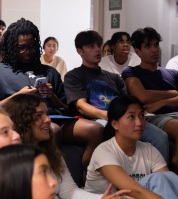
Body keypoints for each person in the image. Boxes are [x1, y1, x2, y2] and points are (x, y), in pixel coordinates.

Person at [0, 18, 104, 178]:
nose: (28, 51)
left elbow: (67, 109)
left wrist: (52, 97)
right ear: (11, 46)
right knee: (52, 129)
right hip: (19, 120)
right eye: (21, 48)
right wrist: (18, 97)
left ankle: (89, 181)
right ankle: (44, 181)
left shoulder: (49, 71)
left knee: (96, 129)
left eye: (31, 46)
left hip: (54, 117)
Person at [3, 94, 140, 199]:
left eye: (46, 114)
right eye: (39, 116)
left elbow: (69, 192)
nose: (48, 119)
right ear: (21, 121)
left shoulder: (51, 153)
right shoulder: (13, 160)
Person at [64, 30, 170, 164]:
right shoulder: (74, 76)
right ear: (80, 51)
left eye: (98, 45)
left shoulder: (114, 78)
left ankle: (160, 177)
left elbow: (127, 103)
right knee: (106, 130)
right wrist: (110, 116)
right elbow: (81, 106)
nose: (97, 49)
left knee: (160, 136)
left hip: (123, 118)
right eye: (91, 46)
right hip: (98, 120)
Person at [121, 27, 178, 168]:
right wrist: (173, 93)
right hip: (155, 117)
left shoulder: (173, 73)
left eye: (156, 44)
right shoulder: (131, 71)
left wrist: (163, 101)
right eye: (148, 46)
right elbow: (142, 96)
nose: (154, 50)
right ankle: (174, 182)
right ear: (137, 51)